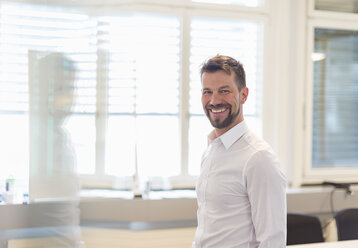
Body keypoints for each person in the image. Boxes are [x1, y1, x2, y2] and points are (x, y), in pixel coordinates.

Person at [193, 55, 287, 248]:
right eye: (207, 91)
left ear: (243, 95)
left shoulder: (258, 158)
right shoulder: (211, 149)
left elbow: (272, 241)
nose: (214, 100)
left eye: (224, 91)